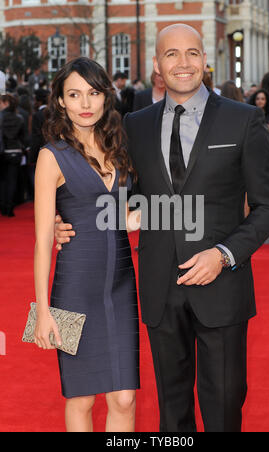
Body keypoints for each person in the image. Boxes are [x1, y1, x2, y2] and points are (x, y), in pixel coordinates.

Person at [55, 25, 269, 432]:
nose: (183, 63)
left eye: (192, 53)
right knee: (172, 412)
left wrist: (224, 255)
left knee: (225, 405)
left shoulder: (243, 120)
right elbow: (128, 199)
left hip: (222, 287)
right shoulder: (134, 125)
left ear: (205, 60)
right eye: (172, 54)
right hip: (160, 287)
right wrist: (68, 223)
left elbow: (268, 206)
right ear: (157, 65)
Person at [33, 57, 140, 432]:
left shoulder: (120, 145)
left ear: (105, 96)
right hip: (74, 287)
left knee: (125, 397)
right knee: (81, 397)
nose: (85, 103)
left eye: (93, 93)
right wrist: (43, 311)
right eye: (74, 94)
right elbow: (43, 239)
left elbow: (126, 217)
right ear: (61, 101)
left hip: (122, 285)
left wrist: (187, 213)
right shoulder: (51, 156)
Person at [0, 94, 26, 217]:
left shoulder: (1, 117)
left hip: (3, 151)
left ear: (6, 103)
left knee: (3, 180)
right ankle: (9, 207)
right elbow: (23, 137)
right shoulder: (19, 118)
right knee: (12, 180)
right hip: (16, 151)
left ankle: (3, 206)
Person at [248, 89, 269, 169]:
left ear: (266, 101)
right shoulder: (250, 115)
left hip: (268, 150)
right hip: (254, 149)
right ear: (254, 100)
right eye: (258, 99)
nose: (260, 101)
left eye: (263, 99)